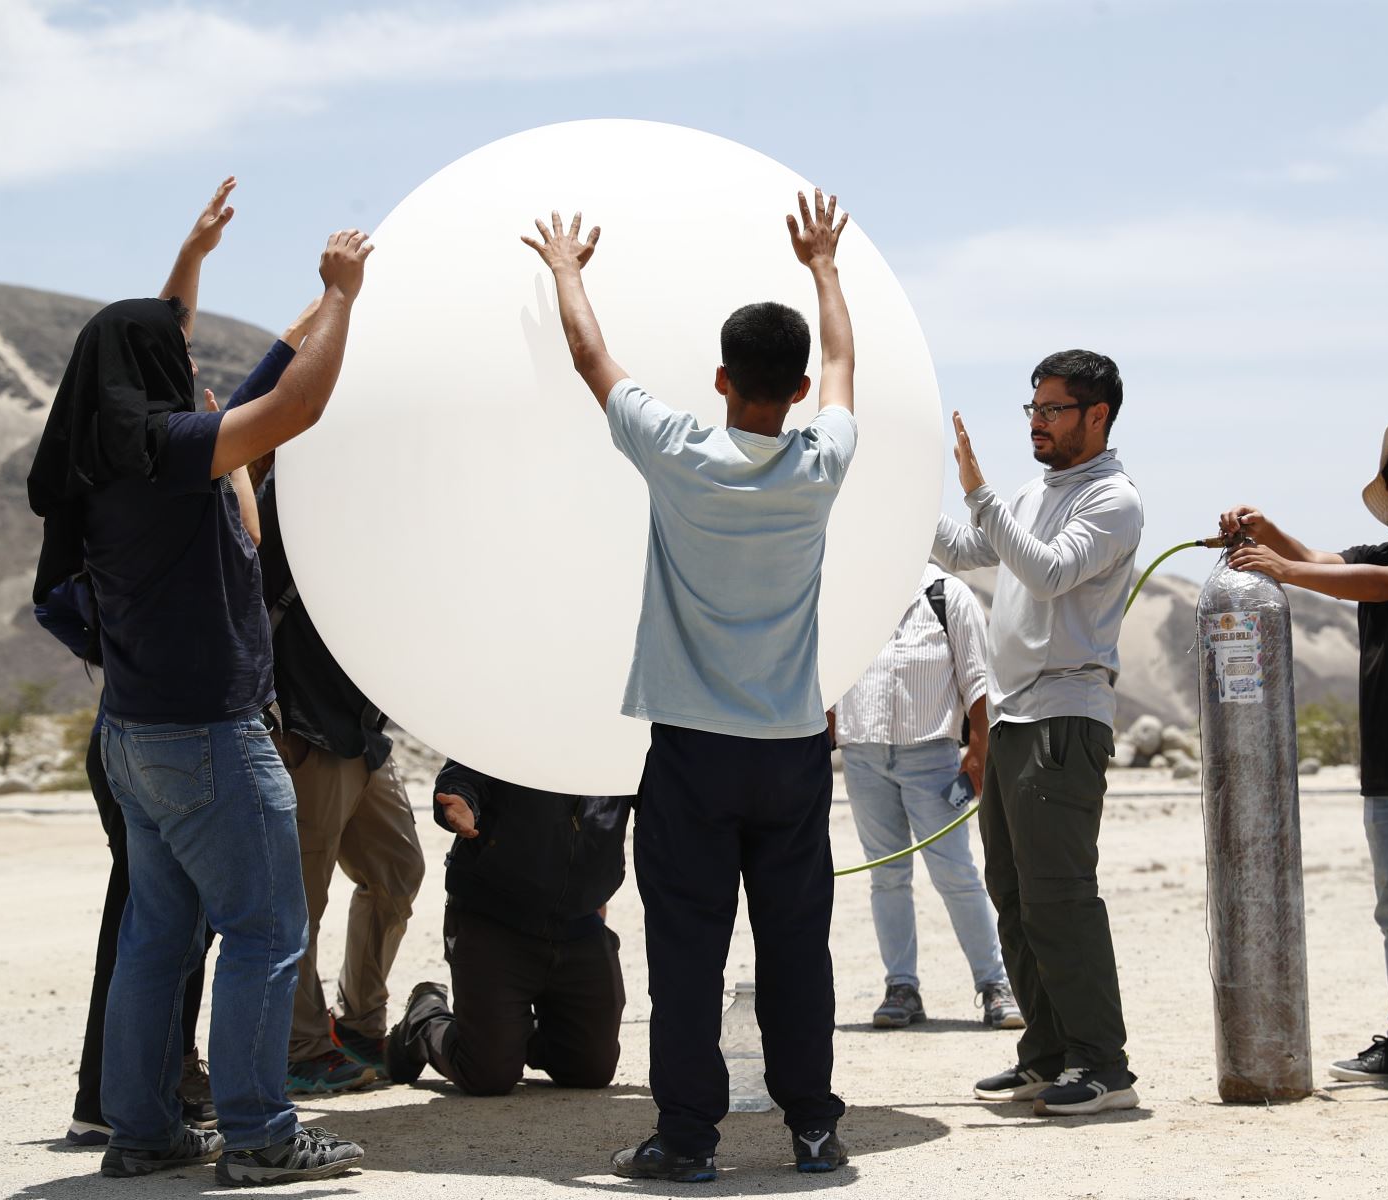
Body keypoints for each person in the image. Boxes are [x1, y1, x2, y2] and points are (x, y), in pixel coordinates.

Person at [26, 176, 375, 1185]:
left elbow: (229, 365)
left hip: (133, 739)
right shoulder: (176, 455)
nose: (193, 364)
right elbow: (296, 401)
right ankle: (261, 1136)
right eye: (178, 355)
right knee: (266, 930)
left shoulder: (103, 462)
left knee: (158, 937)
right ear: (153, 376)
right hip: (209, 741)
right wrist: (343, 298)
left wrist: (196, 257)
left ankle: (141, 1134)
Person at [521, 191, 855, 1181]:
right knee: (798, 947)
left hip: (694, 754)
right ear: (794, 392)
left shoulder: (679, 451)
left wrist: (567, 270)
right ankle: (813, 1128)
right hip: (792, 749)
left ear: (721, 379)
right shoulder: (821, 462)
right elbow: (845, 361)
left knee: (687, 955)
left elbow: (591, 360)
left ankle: (687, 1140)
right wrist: (825, 265)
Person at [1221, 420, 1388, 1083]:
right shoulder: (1384, 553)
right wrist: (1269, 530)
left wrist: (1283, 568)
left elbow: (1374, 584)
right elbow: (1332, 561)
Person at [933, 350, 1143, 1117]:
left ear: (1098, 415)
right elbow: (966, 551)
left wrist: (980, 495)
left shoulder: (1113, 499)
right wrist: (897, 502)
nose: (1037, 423)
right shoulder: (1032, 492)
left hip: (1064, 718)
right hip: (1016, 716)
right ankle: (1048, 1054)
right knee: (1015, 897)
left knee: (1060, 897)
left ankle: (1103, 1067)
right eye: (1033, 409)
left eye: (1052, 410)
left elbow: (1050, 572)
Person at [232, 303, 428, 1097]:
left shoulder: (374, 503)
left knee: (398, 871)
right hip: (304, 728)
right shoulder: (284, 495)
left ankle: (361, 1021)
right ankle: (303, 1050)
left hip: (360, 730)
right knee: (299, 903)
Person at [36, 576, 218, 1147]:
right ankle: (112, 1105)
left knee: (166, 925)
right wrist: (108, 650)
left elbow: (51, 602)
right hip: (155, 741)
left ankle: (135, 1099)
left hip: (140, 736)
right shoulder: (156, 516)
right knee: (153, 925)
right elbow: (51, 601)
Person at [831, 565, 1022, 1031]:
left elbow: (980, 682)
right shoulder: (850, 594)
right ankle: (901, 987)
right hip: (863, 756)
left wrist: (979, 753)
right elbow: (830, 672)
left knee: (955, 873)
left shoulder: (948, 596)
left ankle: (995, 985)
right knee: (886, 876)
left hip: (932, 757)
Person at [383, 761, 630, 1095]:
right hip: (494, 916)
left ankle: (509, 1034)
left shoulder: (622, 734)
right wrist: (459, 801)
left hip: (580, 925)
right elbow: (462, 772)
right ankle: (425, 1018)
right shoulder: (518, 717)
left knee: (590, 1070)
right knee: (487, 1076)